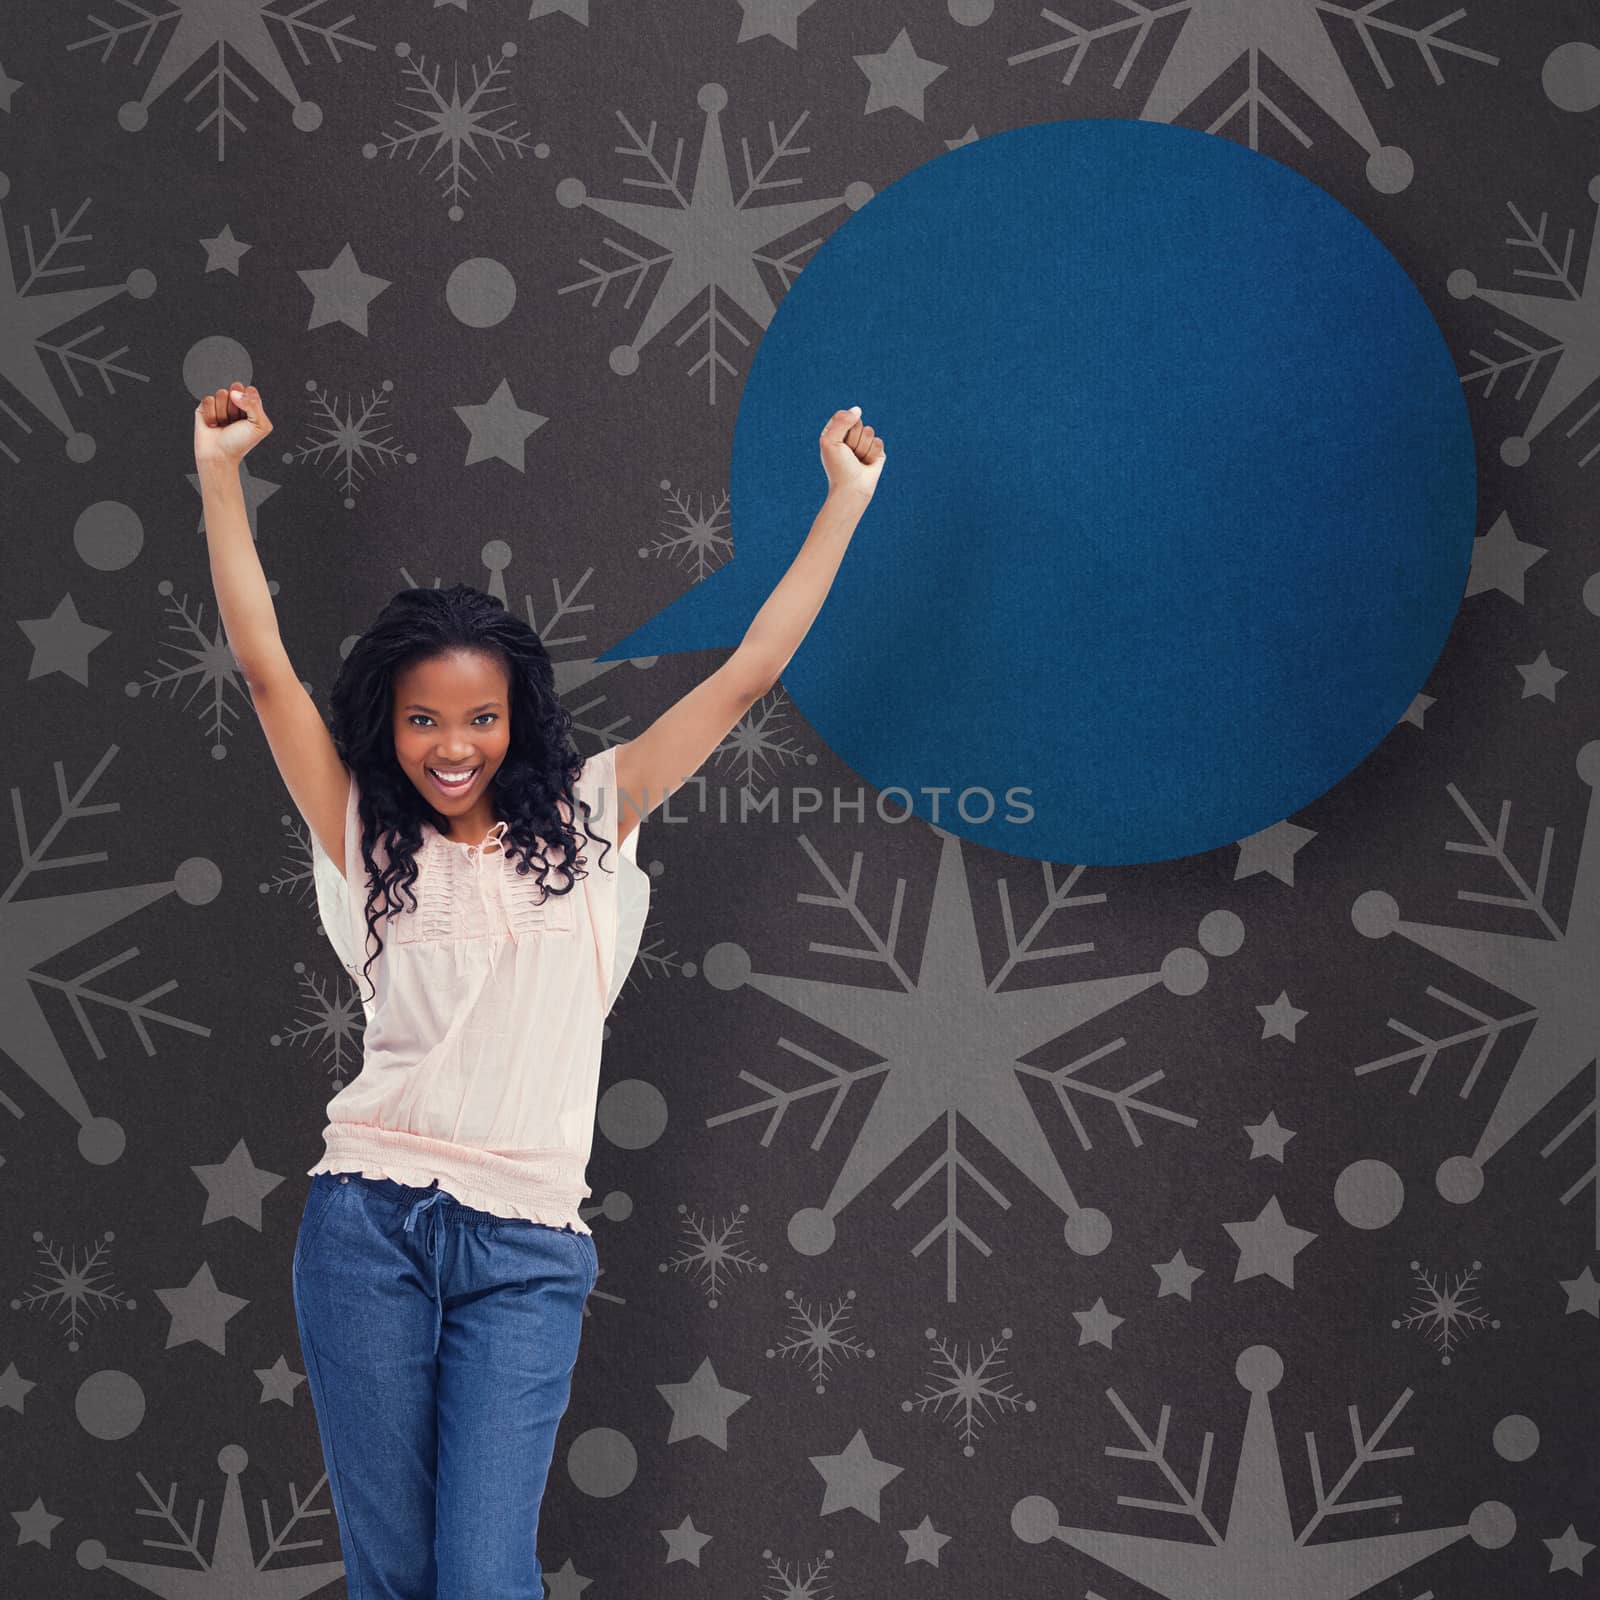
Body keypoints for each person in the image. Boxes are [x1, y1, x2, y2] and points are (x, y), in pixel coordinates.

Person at [194, 381, 884, 1598]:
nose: (450, 743)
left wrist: (844, 501)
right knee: (396, 1578)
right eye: (421, 719)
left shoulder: (591, 814)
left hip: (525, 1246)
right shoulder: (358, 830)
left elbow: (747, 670)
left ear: (518, 719)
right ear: (388, 725)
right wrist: (218, 472)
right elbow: (262, 672)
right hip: (367, 1230)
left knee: (482, 1575)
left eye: (477, 716)